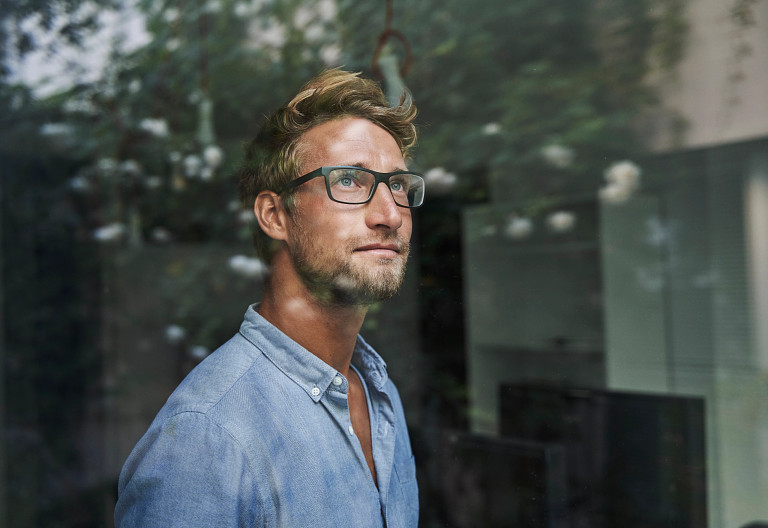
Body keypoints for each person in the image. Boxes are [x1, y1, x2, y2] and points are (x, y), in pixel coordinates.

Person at [114, 69, 424, 528]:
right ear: (275, 215)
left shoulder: (380, 394)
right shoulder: (206, 438)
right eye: (350, 181)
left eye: (397, 185)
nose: (389, 214)